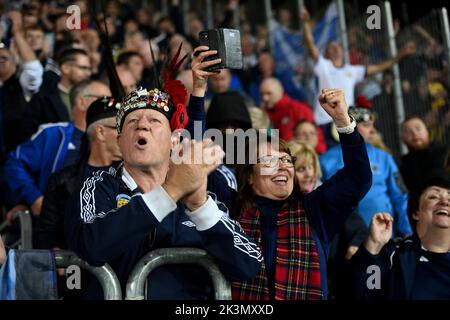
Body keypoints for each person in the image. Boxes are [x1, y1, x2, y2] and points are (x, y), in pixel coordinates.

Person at [65, 45, 262, 300]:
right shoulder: (97, 186)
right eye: (132, 122)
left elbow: (249, 265)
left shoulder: (199, 192)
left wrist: (201, 207)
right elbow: (89, 245)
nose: (143, 125)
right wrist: (169, 193)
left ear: (173, 140)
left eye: (154, 121)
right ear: (120, 139)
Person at [231, 88, 372, 300]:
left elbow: (358, 179)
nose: (283, 167)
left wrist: (343, 121)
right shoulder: (233, 214)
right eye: (270, 161)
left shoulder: (313, 209)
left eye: (287, 160)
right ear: (250, 175)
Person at [300, 7, 416, 147]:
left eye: (338, 46)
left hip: (345, 120)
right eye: (332, 47)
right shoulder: (323, 66)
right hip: (324, 121)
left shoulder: (353, 70)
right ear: (326, 53)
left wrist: (400, 54)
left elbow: (379, 67)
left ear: (343, 52)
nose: (336, 49)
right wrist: (306, 24)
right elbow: (310, 45)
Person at [3, 80, 111, 219]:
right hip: (56, 224)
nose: (110, 104)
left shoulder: (116, 138)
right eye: (104, 99)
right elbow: (14, 163)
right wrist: (34, 198)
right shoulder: (53, 134)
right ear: (82, 102)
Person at [34, 96, 122, 250]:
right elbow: (45, 233)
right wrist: (57, 254)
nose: (129, 136)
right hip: (75, 270)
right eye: (121, 129)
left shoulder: (135, 176)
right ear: (100, 132)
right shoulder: (62, 181)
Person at [347, 174, 450, 300]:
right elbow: (364, 293)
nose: (445, 202)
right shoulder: (391, 255)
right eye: (433, 197)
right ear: (416, 213)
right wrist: (373, 246)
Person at [320, 103, 412, 238]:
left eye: (373, 125)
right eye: (367, 125)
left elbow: (401, 196)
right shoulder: (325, 160)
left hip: (384, 234)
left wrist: (407, 230)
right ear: (350, 125)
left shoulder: (384, 158)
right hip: (343, 238)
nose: (373, 131)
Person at [260, 77, 326, 150]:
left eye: (269, 93)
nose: (265, 98)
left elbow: (315, 137)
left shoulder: (298, 109)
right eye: (262, 94)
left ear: (280, 91)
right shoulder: (264, 114)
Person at [400, 116, 449, 193]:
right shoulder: (402, 165)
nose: (414, 133)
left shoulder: (445, 154)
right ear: (402, 138)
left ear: (427, 131)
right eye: (408, 131)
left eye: (418, 129)